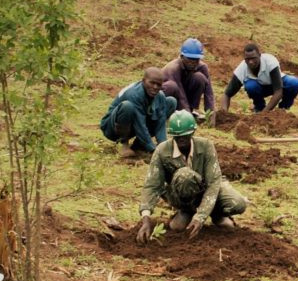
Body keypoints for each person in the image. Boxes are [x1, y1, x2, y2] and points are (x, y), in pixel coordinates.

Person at [136, 111, 248, 243]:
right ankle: (186, 212)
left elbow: (213, 183)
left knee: (238, 203)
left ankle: (216, 214)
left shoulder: (206, 146)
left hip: (206, 190)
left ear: (193, 132)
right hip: (181, 197)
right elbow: (152, 186)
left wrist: (200, 216)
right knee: (185, 178)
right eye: (177, 136)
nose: (181, 139)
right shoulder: (162, 151)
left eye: (185, 135)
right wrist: (146, 219)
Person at [99, 67, 177, 158]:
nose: (155, 87)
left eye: (158, 85)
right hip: (112, 127)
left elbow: (160, 124)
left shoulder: (160, 96)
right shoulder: (134, 94)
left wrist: (164, 148)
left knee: (171, 102)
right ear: (143, 81)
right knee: (127, 107)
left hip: (134, 125)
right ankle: (124, 144)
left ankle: (139, 146)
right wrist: (153, 149)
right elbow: (140, 124)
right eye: (152, 83)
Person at [219, 43, 298, 113]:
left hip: (276, 85)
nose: (250, 62)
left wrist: (265, 113)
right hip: (259, 88)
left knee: (294, 83)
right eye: (247, 59)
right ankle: (259, 108)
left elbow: (278, 91)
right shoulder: (242, 68)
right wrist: (224, 113)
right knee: (251, 86)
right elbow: (227, 94)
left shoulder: (270, 61)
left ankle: (283, 109)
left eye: (253, 58)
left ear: (259, 55)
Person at [162, 38, 215, 118]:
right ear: (182, 56)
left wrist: (211, 114)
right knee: (172, 86)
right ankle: (171, 114)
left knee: (199, 78)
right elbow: (180, 95)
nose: (193, 63)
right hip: (166, 99)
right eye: (189, 59)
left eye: (196, 59)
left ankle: (189, 111)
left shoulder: (202, 67)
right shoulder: (173, 69)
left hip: (182, 98)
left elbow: (209, 93)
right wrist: (188, 117)